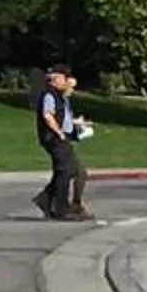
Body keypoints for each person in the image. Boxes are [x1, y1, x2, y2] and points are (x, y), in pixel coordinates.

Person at [36, 66, 89, 221]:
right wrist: (58, 131)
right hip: (54, 139)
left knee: (68, 171)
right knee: (66, 171)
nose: (66, 82)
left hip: (61, 138)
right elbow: (47, 115)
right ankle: (61, 208)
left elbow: (61, 115)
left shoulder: (59, 96)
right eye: (64, 78)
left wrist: (75, 123)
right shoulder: (49, 96)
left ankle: (46, 200)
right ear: (56, 78)